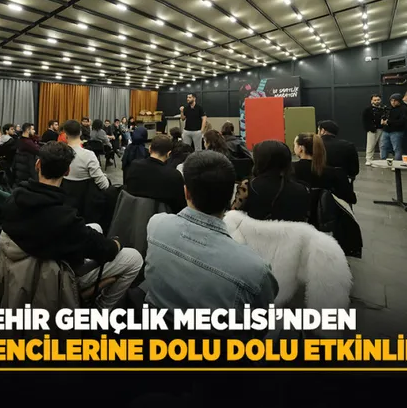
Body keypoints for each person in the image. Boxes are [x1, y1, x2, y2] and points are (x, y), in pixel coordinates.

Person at [144, 151, 279, 335]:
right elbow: (262, 325)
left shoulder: (156, 225)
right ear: (231, 196)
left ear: (186, 192)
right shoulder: (256, 271)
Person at [0, 142, 143, 309]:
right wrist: (116, 243)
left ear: (37, 164)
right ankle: (101, 308)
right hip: (57, 278)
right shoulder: (63, 218)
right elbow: (105, 250)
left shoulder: (13, 199)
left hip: (24, 267)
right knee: (134, 258)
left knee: (95, 227)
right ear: (67, 171)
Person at [239, 140, 310, 222]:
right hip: (290, 230)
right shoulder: (302, 189)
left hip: (254, 229)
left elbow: (234, 216)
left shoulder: (247, 186)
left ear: (259, 161)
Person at [124, 134, 187, 212]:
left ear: (150, 149)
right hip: (162, 217)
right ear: (169, 154)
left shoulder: (134, 166)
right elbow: (180, 205)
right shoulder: (174, 175)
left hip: (133, 213)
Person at [293, 133, 356, 205]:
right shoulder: (336, 173)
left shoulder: (290, 171)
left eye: (295, 145)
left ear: (301, 148)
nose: (294, 147)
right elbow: (351, 199)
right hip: (325, 210)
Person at [62, 119, 109, 190]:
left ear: (65, 134)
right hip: (86, 194)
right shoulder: (89, 155)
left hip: (64, 193)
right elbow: (104, 185)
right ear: (80, 133)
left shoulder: (58, 153)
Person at [380, 93, 407, 160]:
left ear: (399, 101)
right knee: (383, 146)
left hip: (397, 131)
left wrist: (388, 122)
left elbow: (402, 121)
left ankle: (397, 163)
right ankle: (383, 161)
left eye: (395, 101)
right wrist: (383, 119)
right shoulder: (388, 107)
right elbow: (384, 115)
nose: (393, 102)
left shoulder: (403, 109)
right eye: (391, 100)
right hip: (386, 130)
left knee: (396, 148)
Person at [362, 94, 385, 166]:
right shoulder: (367, 109)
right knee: (370, 145)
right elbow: (365, 120)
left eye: (378, 100)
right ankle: (369, 159)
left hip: (382, 129)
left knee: (383, 145)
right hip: (372, 129)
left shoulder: (383, 109)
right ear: (371, 101)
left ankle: (383, 159)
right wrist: (369, 128)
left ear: (380, 100)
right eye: (375, 100)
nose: (376, 101)